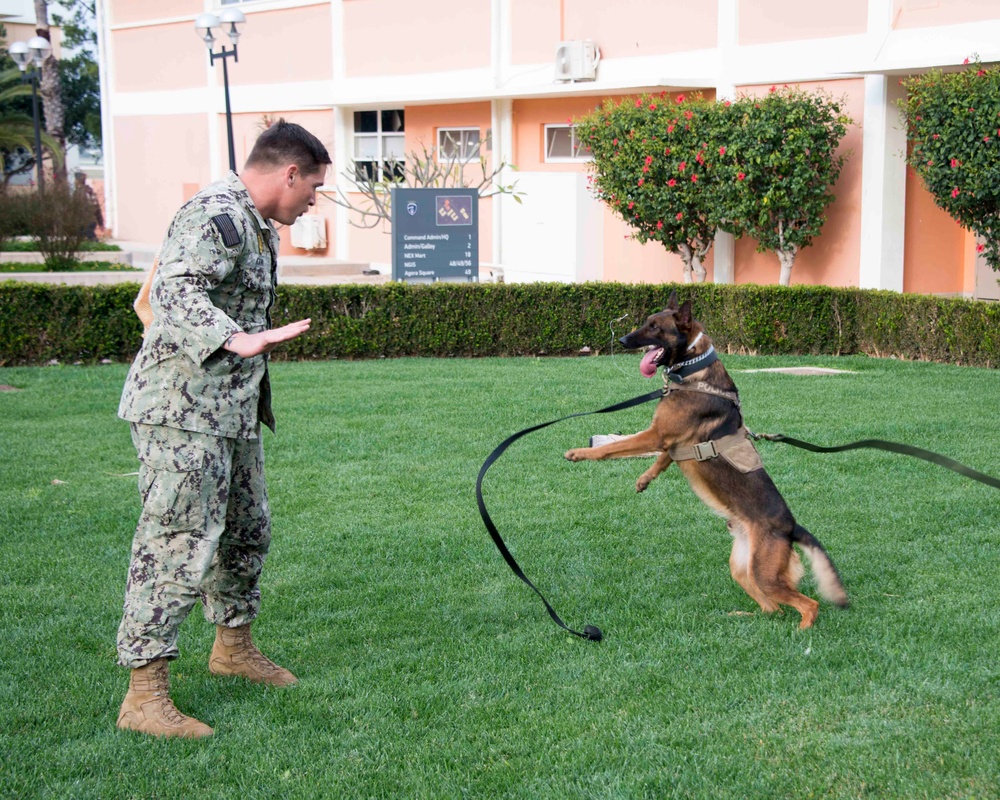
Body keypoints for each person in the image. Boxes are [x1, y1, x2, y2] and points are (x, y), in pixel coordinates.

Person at [115, 120, 331, 738]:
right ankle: (144, 694)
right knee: (178, 540)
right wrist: (235, 337)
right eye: (312, 186)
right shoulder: (216, 214)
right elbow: (177, 288)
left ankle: (232, 650)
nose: (313, 199)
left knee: (245, 530)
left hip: (227, 412)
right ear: (288, 173)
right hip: (181, 411)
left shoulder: (255, 223)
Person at [74, 172, 104, 240]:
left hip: (84, 220)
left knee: (89, 236)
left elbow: (75, 208)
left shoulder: (78, 193)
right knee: (84, 236)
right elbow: (97, 208)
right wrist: (100, 222)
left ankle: (96, 245)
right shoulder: (90, 192)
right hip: (92, 220)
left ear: (77, 181)